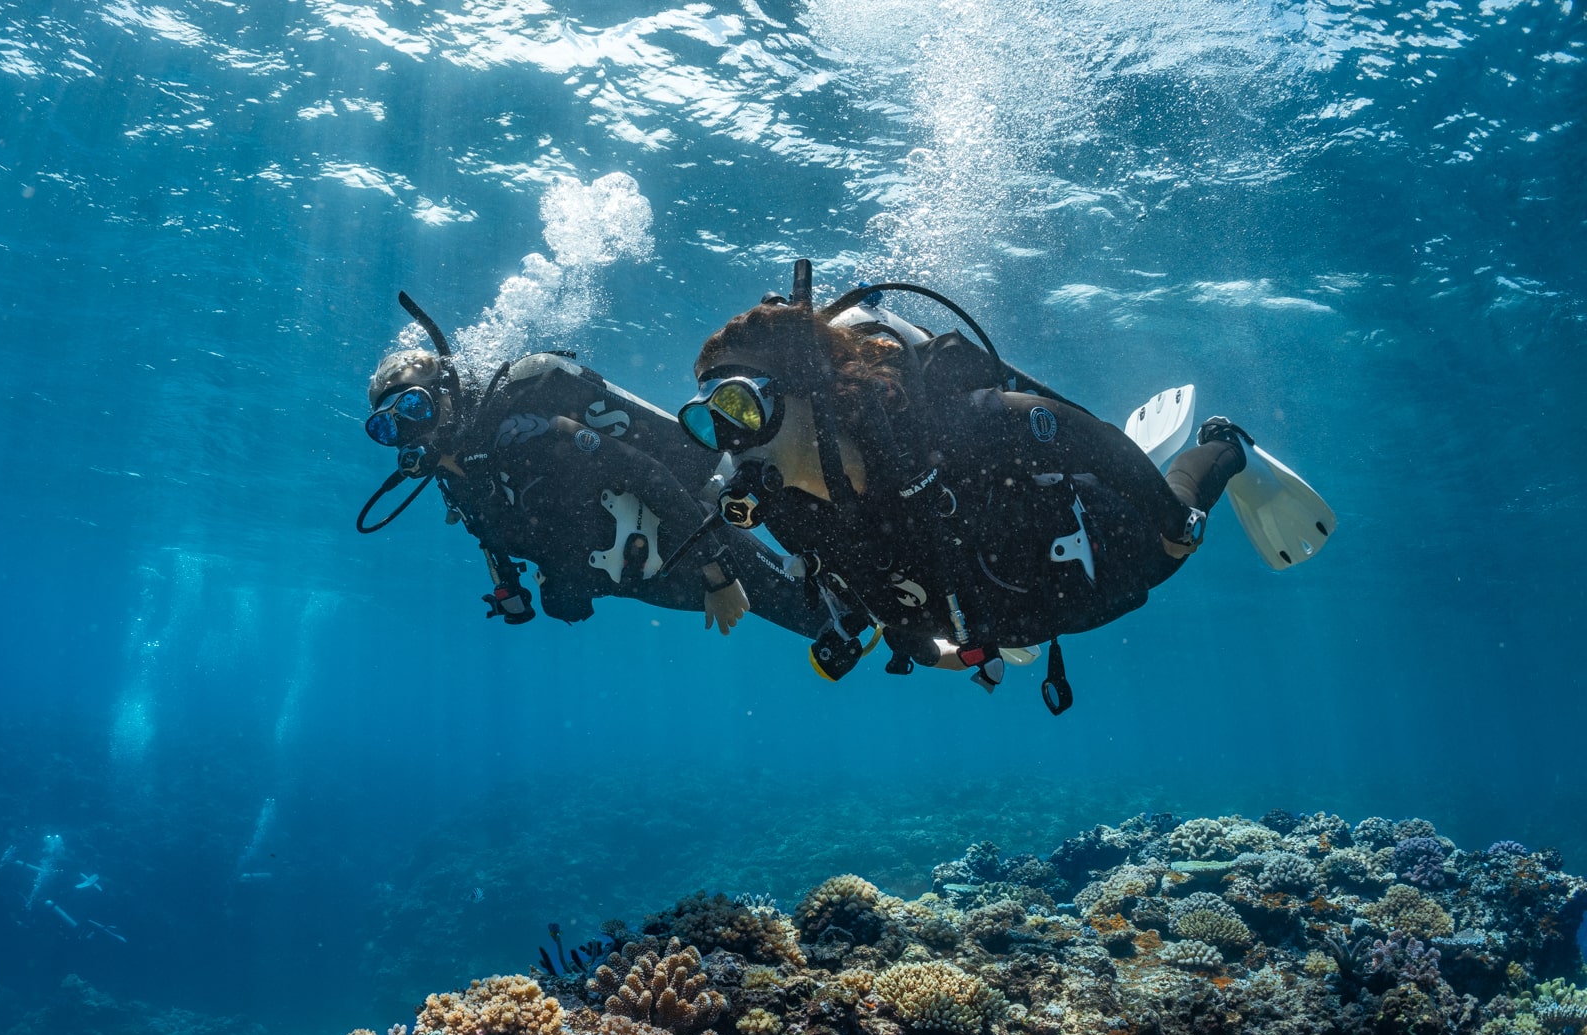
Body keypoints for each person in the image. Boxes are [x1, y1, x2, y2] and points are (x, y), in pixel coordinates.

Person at [673, 262, 1336, 710]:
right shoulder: (787, 511)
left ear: (807, 392)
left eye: (743, 407)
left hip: (1087, 548)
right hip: (1000, 605)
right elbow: (863, 589)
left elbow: (1078, 433)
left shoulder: (938, 432)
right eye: (709, 424)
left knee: (1173, 549)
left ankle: (1226, 445)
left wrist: (1169, 518)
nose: (732, 442)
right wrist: (940, 649)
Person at [355, 293, 826, 641]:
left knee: (822, 614)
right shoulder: (457, 478)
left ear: (443, 395)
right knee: (819, 616)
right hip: (644, 576)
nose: (410, 432)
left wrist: (718, 574)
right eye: (387, 428)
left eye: (414, 409)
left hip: (689, 540)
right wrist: (540, 588)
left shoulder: (528, 432)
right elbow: (494, 536)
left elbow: (650, 476)